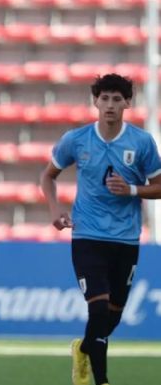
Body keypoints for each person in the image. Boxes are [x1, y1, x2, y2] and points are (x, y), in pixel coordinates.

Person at [40, 73, 161, 385]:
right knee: (97, 312)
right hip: (87, 236)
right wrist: (55, 209)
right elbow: (48, 176)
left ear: (127, 103)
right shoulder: (76, 140)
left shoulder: (142, 142)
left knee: (113, 315)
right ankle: (102, 381)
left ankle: (83, 349)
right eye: (104, 98)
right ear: (95, 101)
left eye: (116, 99)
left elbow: (159, 186)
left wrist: (132, 190)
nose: (109, 105)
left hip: (126, 239)